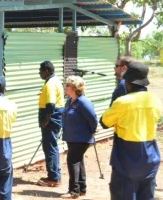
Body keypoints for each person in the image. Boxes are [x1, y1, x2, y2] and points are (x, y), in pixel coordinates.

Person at [100, 61, 162, 200]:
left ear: (128, 82)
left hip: (126, 159)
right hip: (150, 157)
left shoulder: (122, 102)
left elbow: (104, 122)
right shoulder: (155, 100)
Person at [61, 76, 97, 199]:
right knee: (78, 161)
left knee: (72, 161)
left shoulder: (83, 102)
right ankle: (82, 188)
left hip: (81, 138)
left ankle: (74, 191)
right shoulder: (70, 101)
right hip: (72, 138)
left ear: (74, 88)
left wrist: (91, 131)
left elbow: (92, 119)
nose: (65, 87)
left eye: (67, 85)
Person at [37, 61, 65, 187]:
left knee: (50, 147)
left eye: (41, 71)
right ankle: (54, 175)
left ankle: (53, 178)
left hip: (51, 118)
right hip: (55, 116)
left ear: (47, 71)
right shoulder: (55, 81)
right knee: (51, 146)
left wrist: (46, 121)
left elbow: (50, 105)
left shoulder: (50, 84)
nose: (40, 73)